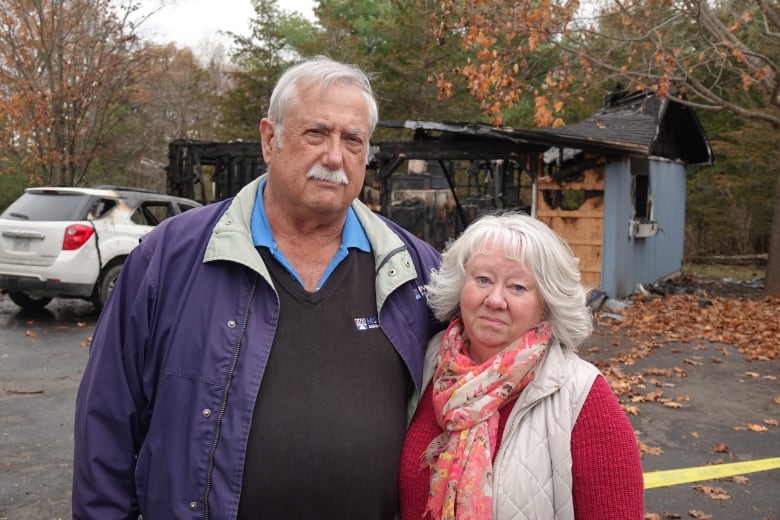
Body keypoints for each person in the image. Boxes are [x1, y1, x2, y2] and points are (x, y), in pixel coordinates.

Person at [72, 56, 442, 519]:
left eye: (352, 140)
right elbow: (106, 422)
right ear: (270, 139)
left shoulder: (414, 269)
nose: (334, 156)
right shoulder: (171, 257)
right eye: (316, 133)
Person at [398, 212, 644, 519]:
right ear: (461, 286)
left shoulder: (580, 395)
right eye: (483, 280)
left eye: (517, 287)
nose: (495, 299)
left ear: (546, 303)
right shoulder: (425, 365)